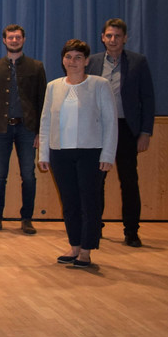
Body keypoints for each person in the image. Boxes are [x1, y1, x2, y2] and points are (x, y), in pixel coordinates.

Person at [38, 39, 118, 268]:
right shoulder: (53, 86)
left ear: (86, 61)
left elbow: (110, 121)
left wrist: (107, 154)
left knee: (89, 202)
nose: (72, 62)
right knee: (69, 202)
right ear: (63, 60)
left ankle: (86, 250)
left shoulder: (99, 85)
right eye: (68, 57)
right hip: (60, 153)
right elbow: (46, 121)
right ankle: (74, 246)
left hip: (91, 152)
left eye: (78, 57)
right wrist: (44, 154)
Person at [87, 18, 155, 247]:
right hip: (98, 128)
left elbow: (148, 99)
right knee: (96, 180)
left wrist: (145, 132)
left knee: (129, 181)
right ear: (102, 38)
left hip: (126, 128)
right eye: (109, 35)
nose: (113, 39)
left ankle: (131, 231)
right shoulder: (93, 62)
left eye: (117, 36)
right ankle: (95, 227)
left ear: (125, 38)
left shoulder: (138, 62)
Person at [0, 24, 46, 235]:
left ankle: (27, 219)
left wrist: (41, 132)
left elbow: (43, 101)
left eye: (17, 37)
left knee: (28, 175)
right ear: (4, 40)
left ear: (23, 40)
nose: (14, 40)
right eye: (10, 37)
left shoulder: (36, 67)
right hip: (0, 128)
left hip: (27, 129)